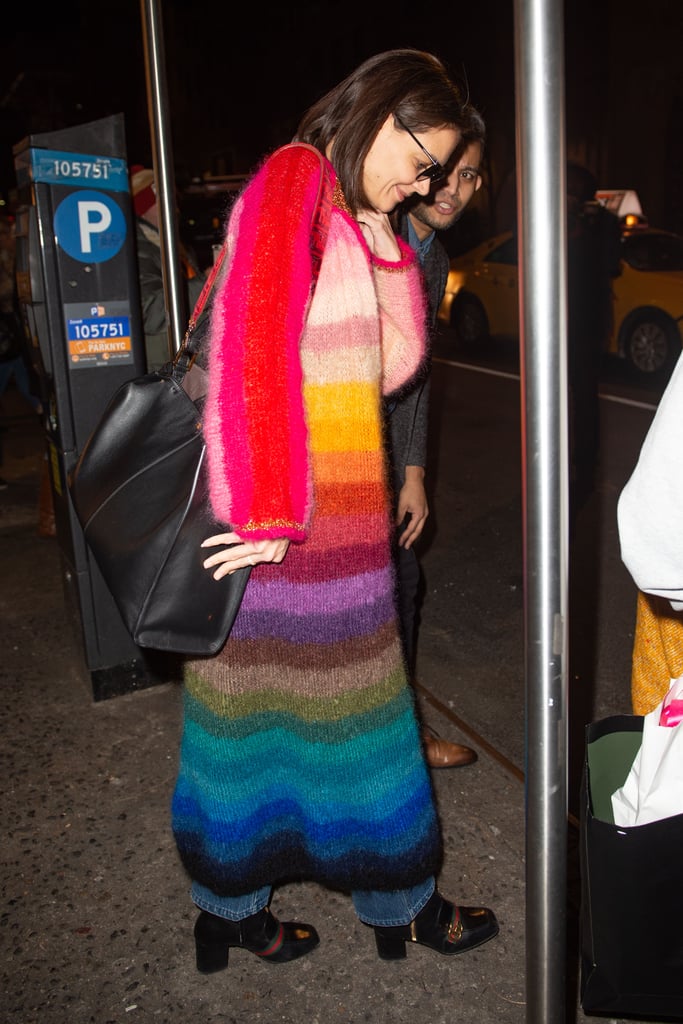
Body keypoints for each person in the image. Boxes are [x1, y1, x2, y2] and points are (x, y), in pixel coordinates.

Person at [170, 49, 499, 973]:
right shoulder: (290, 181)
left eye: (434, 168)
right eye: (417, 155)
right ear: (376, 113)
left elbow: (392, 368)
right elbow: (247, 353)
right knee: (260, 730)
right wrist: (268, 517)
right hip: (277, 525)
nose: (423, 179)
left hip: (336, 532)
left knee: (330, 723)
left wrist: (380, 232)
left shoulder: (345, 216)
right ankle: (258, 907)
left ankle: (357, 899)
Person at [388, 105, 486, 769]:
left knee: (400, 585)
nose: (452, 186)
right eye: (445, 169)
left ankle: (396, 736)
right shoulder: (376, 230)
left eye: (470, 175)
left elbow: (416, 374)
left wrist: (415, 474)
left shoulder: (434, 256)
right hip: (328, 454)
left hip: (379, 455)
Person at [129, 165, 208, 371]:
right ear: (143, 208)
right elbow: (148, 311)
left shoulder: (171, 245)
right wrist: (207, 284)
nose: (175, 207)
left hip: (180, 359)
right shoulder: (137, 249)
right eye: (163, 200)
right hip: (163, 367)